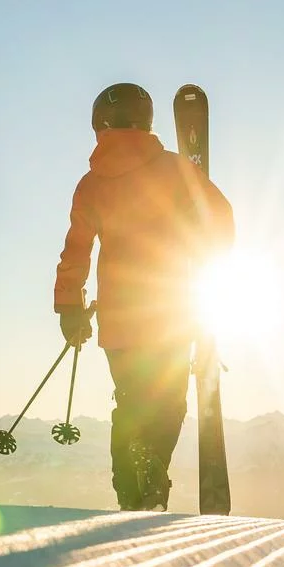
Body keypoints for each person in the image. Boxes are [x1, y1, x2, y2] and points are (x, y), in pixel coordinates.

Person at [54, 82, 234, 510]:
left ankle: (130, 494)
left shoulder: (91, 184)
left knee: (131, 402)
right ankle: (151, 463)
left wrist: (68, 306)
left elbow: (76, 249)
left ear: (100, 126)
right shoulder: (175, 169)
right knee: (168, 402)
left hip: (119, 315)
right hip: (171, 307)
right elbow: (221, 221)